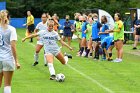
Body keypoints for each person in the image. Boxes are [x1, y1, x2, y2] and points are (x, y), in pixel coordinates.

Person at [0, 10, 20, 93]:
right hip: (8, 58)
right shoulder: (12, 29)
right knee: (7, 84)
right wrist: (17, 61)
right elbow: (13, 46)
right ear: (8, 18)